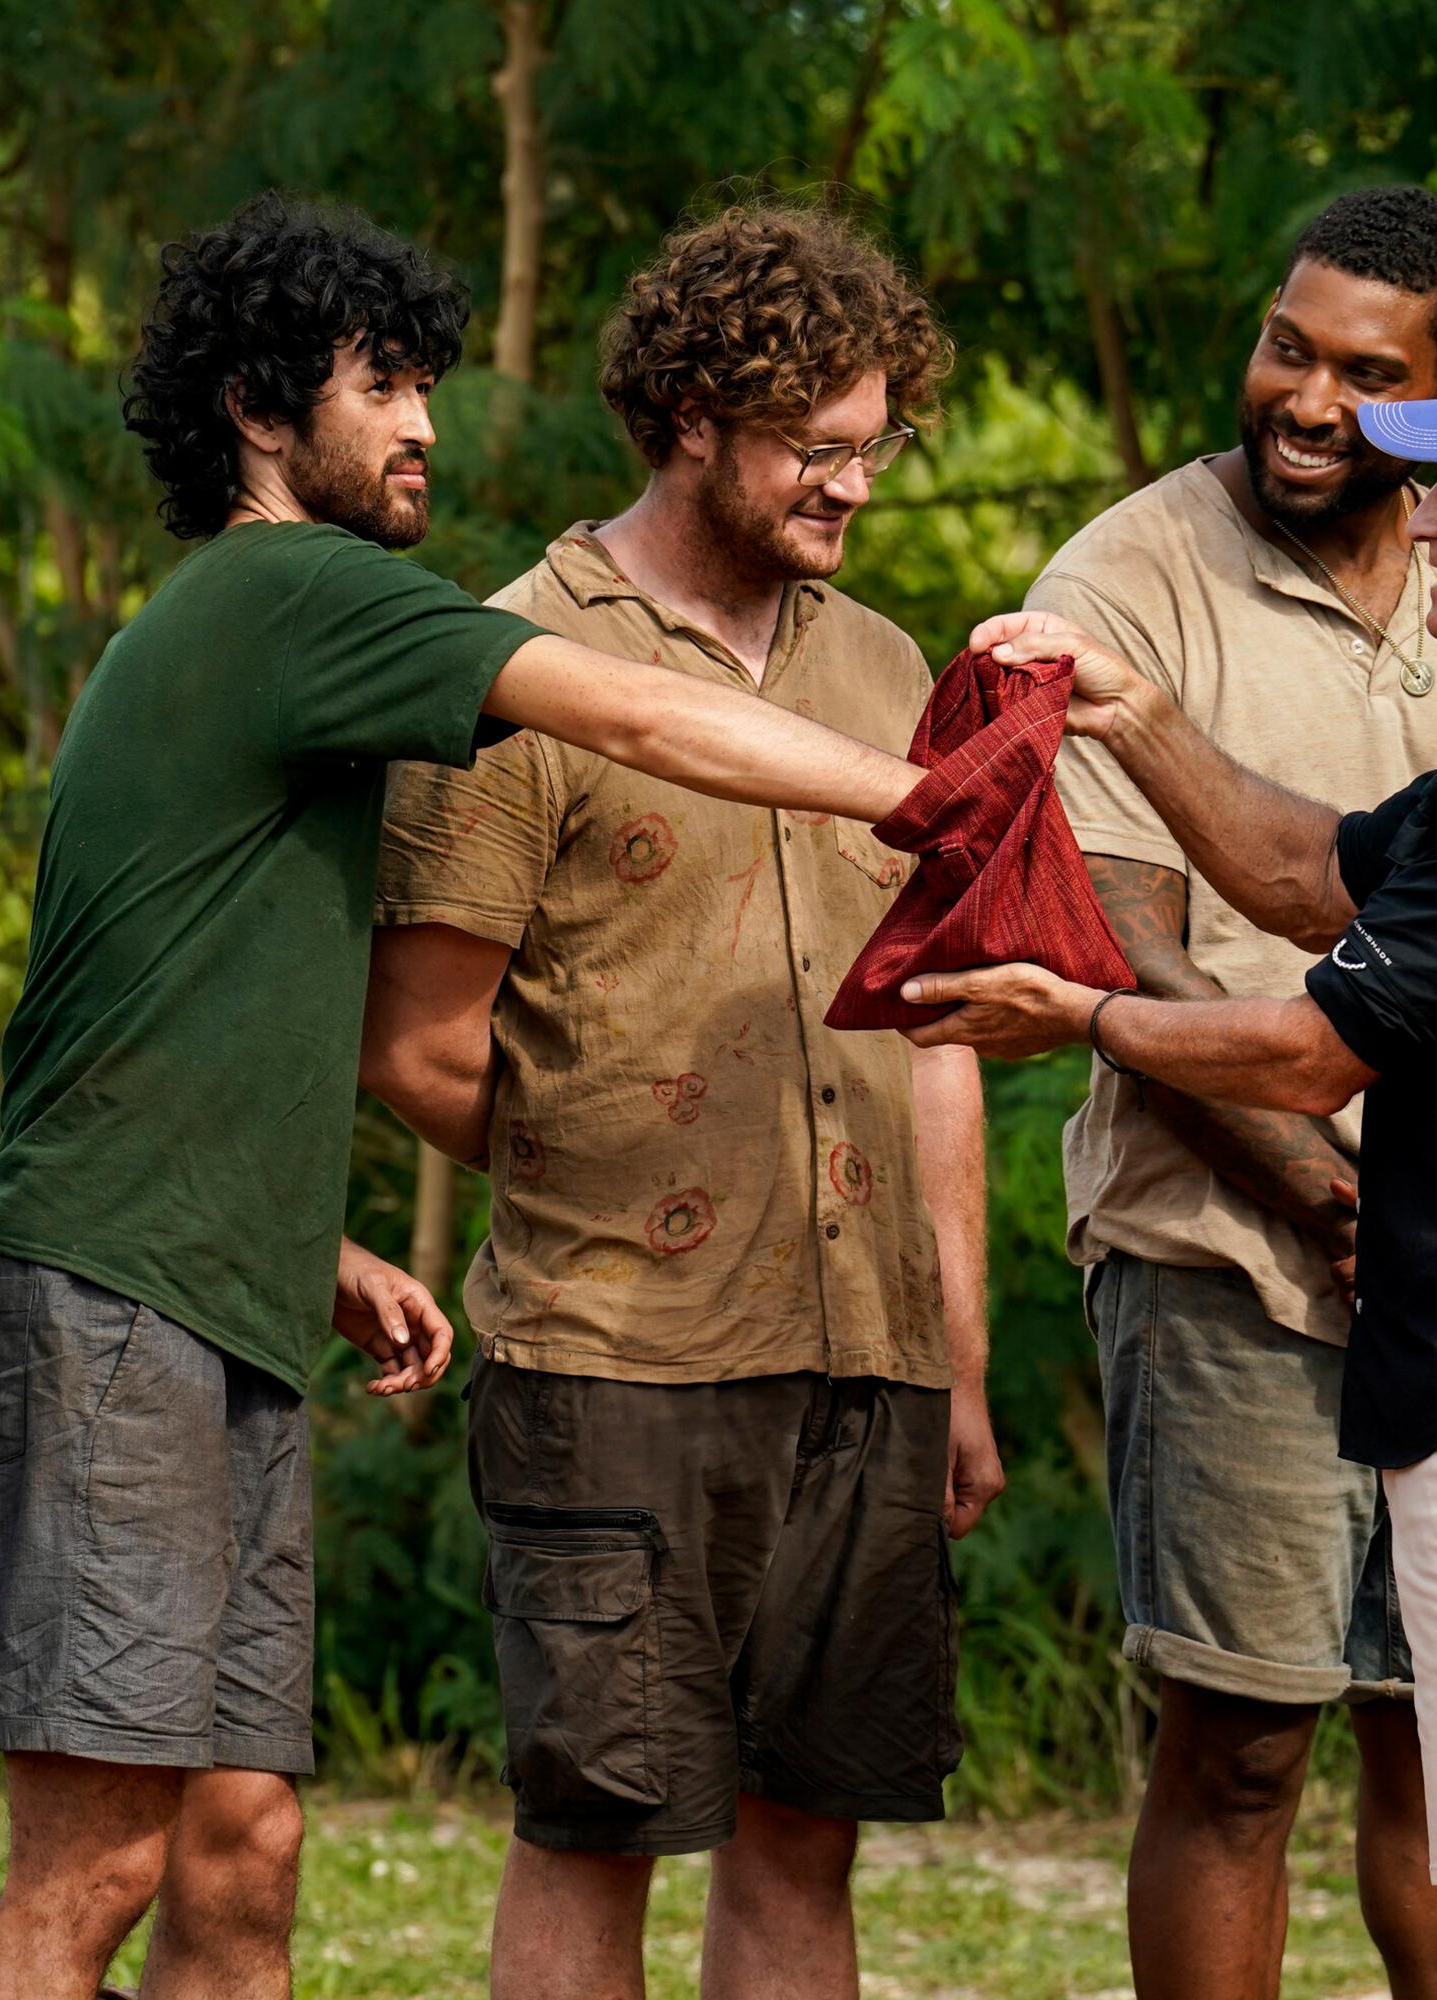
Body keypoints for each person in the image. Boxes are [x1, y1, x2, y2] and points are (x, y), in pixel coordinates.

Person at [0, 192, 928, 2000]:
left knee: (241, 1847)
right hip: (104, 1306)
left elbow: (141, 1002)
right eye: (382, 387)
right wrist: (917, 794)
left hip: (200, 1286)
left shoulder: (270, 640)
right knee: (99, 1862)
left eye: (427, 387)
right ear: (258, 410)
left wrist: (302, 1245)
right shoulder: (291, 587)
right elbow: (637, 715)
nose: (425, 430)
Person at [910, 325, 1437, 2000]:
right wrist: (1141, 714)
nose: (1417, 514)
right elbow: (1310, 876)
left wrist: (1079, 1014)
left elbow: (1313, 1049)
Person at [360, 204, 996, 2000]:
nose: (853, 484)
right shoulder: (515, 664)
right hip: (617, 1361)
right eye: (814, 447)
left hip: (868, 1362)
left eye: (876, 443)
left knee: (810, 1842)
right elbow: (419, 1048)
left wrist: (955, 1354)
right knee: (600, 1833)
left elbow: (938, 1029)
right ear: (694, 422)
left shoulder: (889, 672)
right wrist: (616, 1173)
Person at [1023, 186, 1437, 1997]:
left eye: (1365, 375)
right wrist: (1329, 1189)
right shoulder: (1123, 582)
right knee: (1241, 1750)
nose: (1305, 402)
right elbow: (1116, 945)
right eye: (1284, 349)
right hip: (1230, 1243)